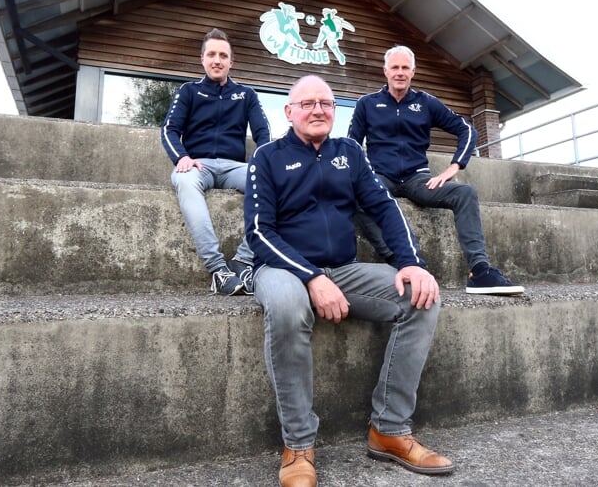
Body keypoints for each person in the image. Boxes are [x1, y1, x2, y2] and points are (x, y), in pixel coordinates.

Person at [245, 75, 453, 487]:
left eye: (325, 102)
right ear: (289, 112)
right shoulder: (266, 157)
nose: (318, 109)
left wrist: (411, 263)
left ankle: (389, 430)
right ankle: (299, 444)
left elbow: (384, 207)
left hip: (342, 268)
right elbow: (259, 232)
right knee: (288, 307)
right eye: (307, 103)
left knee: (420, 295)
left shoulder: (350, 155)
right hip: (281, 268)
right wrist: (310, 278)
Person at [348, 45, 525, 296]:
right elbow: (352, 144)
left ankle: (480, 271)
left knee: (464, 193)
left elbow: (466, 129)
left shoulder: (426, 102)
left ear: (413, 71)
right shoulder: (367, 104)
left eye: (405, 68)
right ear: (385, 71)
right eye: (395, 67)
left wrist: (454, 166)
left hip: (417, 179)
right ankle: (399, 260)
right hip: (381, 177)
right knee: (355, 194)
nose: (400, 72)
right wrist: (360, 176)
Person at [160, 28, 271, 295]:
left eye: (223, 55)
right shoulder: (189, 91)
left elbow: (264, 134)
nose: (217, 60)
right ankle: (218, 270)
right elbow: (169, 129)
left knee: (277, 183)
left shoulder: (246, 94)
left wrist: (263, 163)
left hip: (235, 167)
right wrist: (182, 157)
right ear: (203, 59)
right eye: (212, 54)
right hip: (197, 165)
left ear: (231, 62)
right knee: (185, 181)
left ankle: (243, 259)